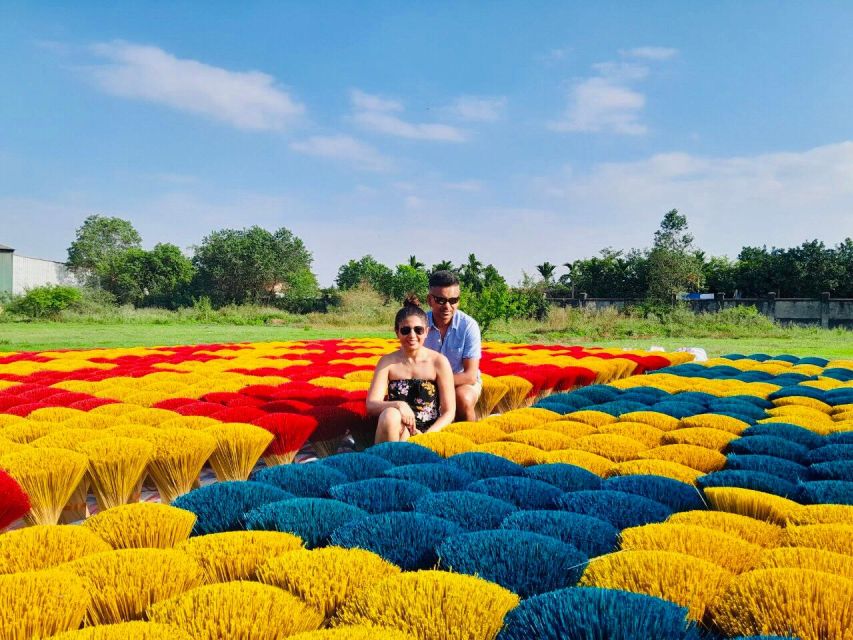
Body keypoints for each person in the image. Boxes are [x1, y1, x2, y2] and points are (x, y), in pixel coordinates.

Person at [367, 297, 456, 443]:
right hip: (398, 430)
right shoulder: (387, 362)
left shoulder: (439, 362)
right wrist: (398, 405)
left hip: (429, 432)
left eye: (418, 330)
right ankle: (387, 463)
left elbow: (449, 411)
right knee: (390, 415)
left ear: (426, 332)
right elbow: (371, 405)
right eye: (405, 330)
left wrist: (427, 436)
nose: (412, 336)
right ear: (397, 332)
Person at [423, 270, 482, 421]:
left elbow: (470, 376)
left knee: (463, 398)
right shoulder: (419, 325)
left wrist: (437, 382)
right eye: (441, 300)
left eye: (453, 300)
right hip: (425, 382)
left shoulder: (468, 326)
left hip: (461, 383)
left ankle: (470, 439)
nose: (447, 306)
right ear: (430, 300)